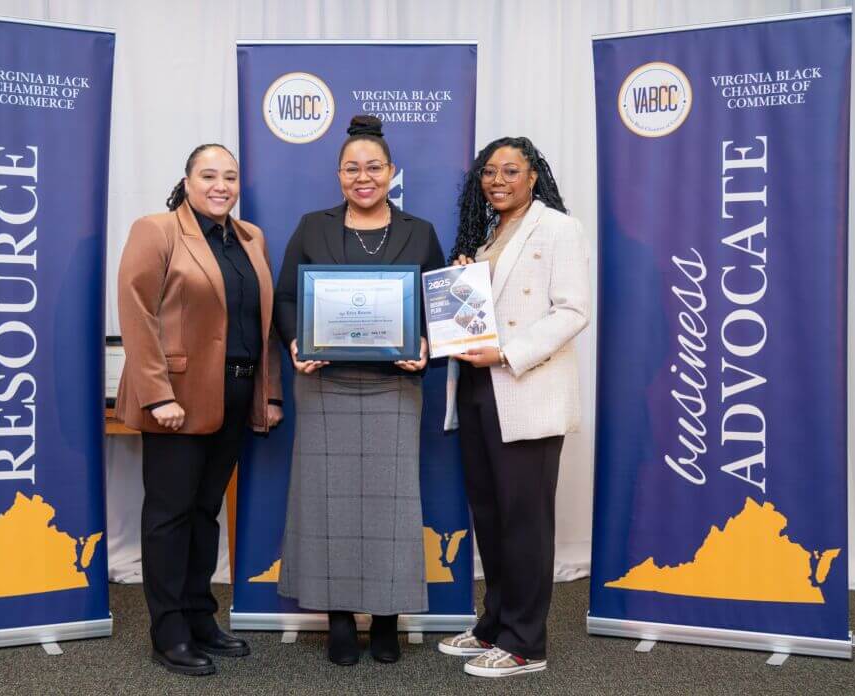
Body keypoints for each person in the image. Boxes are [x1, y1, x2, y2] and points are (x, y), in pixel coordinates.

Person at [274, 115, 444, 666]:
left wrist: (426, 342)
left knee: (393, 508)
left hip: (394, 386)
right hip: (325, 386)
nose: (363, 177)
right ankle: (341, 620)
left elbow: (437, 305)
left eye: (373, 167)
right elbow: (286, 298)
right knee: (328, 507)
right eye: (352, 169)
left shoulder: (420, 231)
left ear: (391, 172)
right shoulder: (312, 226)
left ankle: (388, 619)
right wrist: (296, 341)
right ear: (338, 175)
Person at [116, 143, 283, 677]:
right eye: (209, 176)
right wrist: (157, 393)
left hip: (235, 394)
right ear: (187, 182)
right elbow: (137, 312)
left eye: (229, 177)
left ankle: (199, 617)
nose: (221, 186)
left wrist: (269, 393)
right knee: (169, 516)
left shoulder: (251, 238)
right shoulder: (157, 230)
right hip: (177, 398)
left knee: (206, 512)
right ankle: (168, 632)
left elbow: (263, 323)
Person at [436, 137, 589, 678]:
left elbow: (572, 311)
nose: (497, 181)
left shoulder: (559, 228)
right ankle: (494, 626)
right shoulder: (487, 237)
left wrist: (506, 352)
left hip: (525, 385)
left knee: (524, 522)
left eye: (510, 171)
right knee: (490, 515)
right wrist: (464, 282)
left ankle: (525, 644)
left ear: (532, 176)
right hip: (480, 387)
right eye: (488, 172)